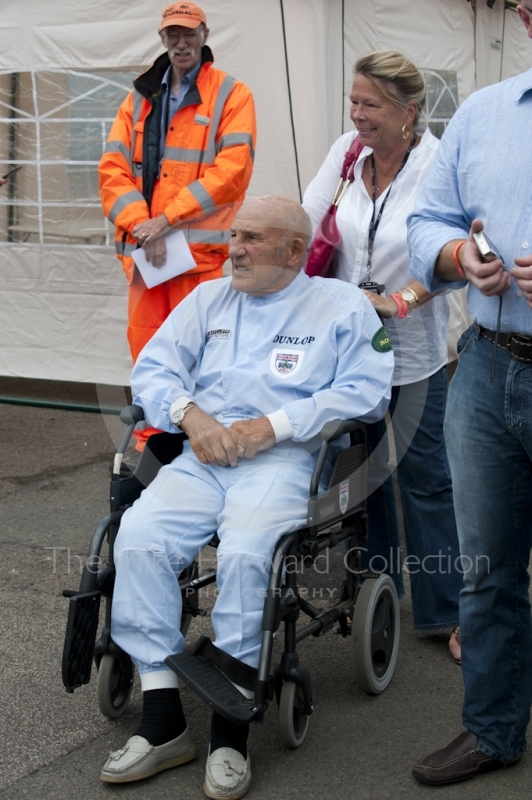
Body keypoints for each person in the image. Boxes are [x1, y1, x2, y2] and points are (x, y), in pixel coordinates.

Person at [99, 196, 394, 798]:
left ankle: (229, 733)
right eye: (234, 235)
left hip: (281, 461)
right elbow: (155, 369)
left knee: (247, 554)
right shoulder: (209, 298)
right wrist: (191, 416)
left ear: (293, 250)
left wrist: (274, 426)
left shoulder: (340, 306)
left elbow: (366, 394)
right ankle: (164, 721)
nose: (235, 247)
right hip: (203, 454)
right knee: (139, 539)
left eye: (252, 238)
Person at [407, 4, 532, 785]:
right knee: (487, 569)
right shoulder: (482, 114)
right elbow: (428, 220)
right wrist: (456, 253)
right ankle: (492, 728)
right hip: (486, 368)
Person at [303, 50, 462, 659]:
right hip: (348, 350)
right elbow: (310, 217)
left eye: (370, 104)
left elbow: (459, 249)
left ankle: (446, 609)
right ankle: (378, 588)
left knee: (427, 480)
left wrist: (403, 300)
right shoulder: (348, 152)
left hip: (415, 348)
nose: (357, 113)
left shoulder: (437, 162)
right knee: (362, 474)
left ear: (408, 111)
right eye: (354, 101)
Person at [99, 2, 256, 450]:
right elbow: (111, 170)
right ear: (162, 38)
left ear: (205, 34)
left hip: (197, 258)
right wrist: (141, 226)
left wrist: (165, 221)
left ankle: (198, 443)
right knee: (147, 350)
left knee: (200, 356)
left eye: (188, 34)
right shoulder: (137, 98)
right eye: (172, 35)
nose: (181, 43)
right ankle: (153, 446)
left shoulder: (232, 94)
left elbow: (232, 172)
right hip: (148, 255)